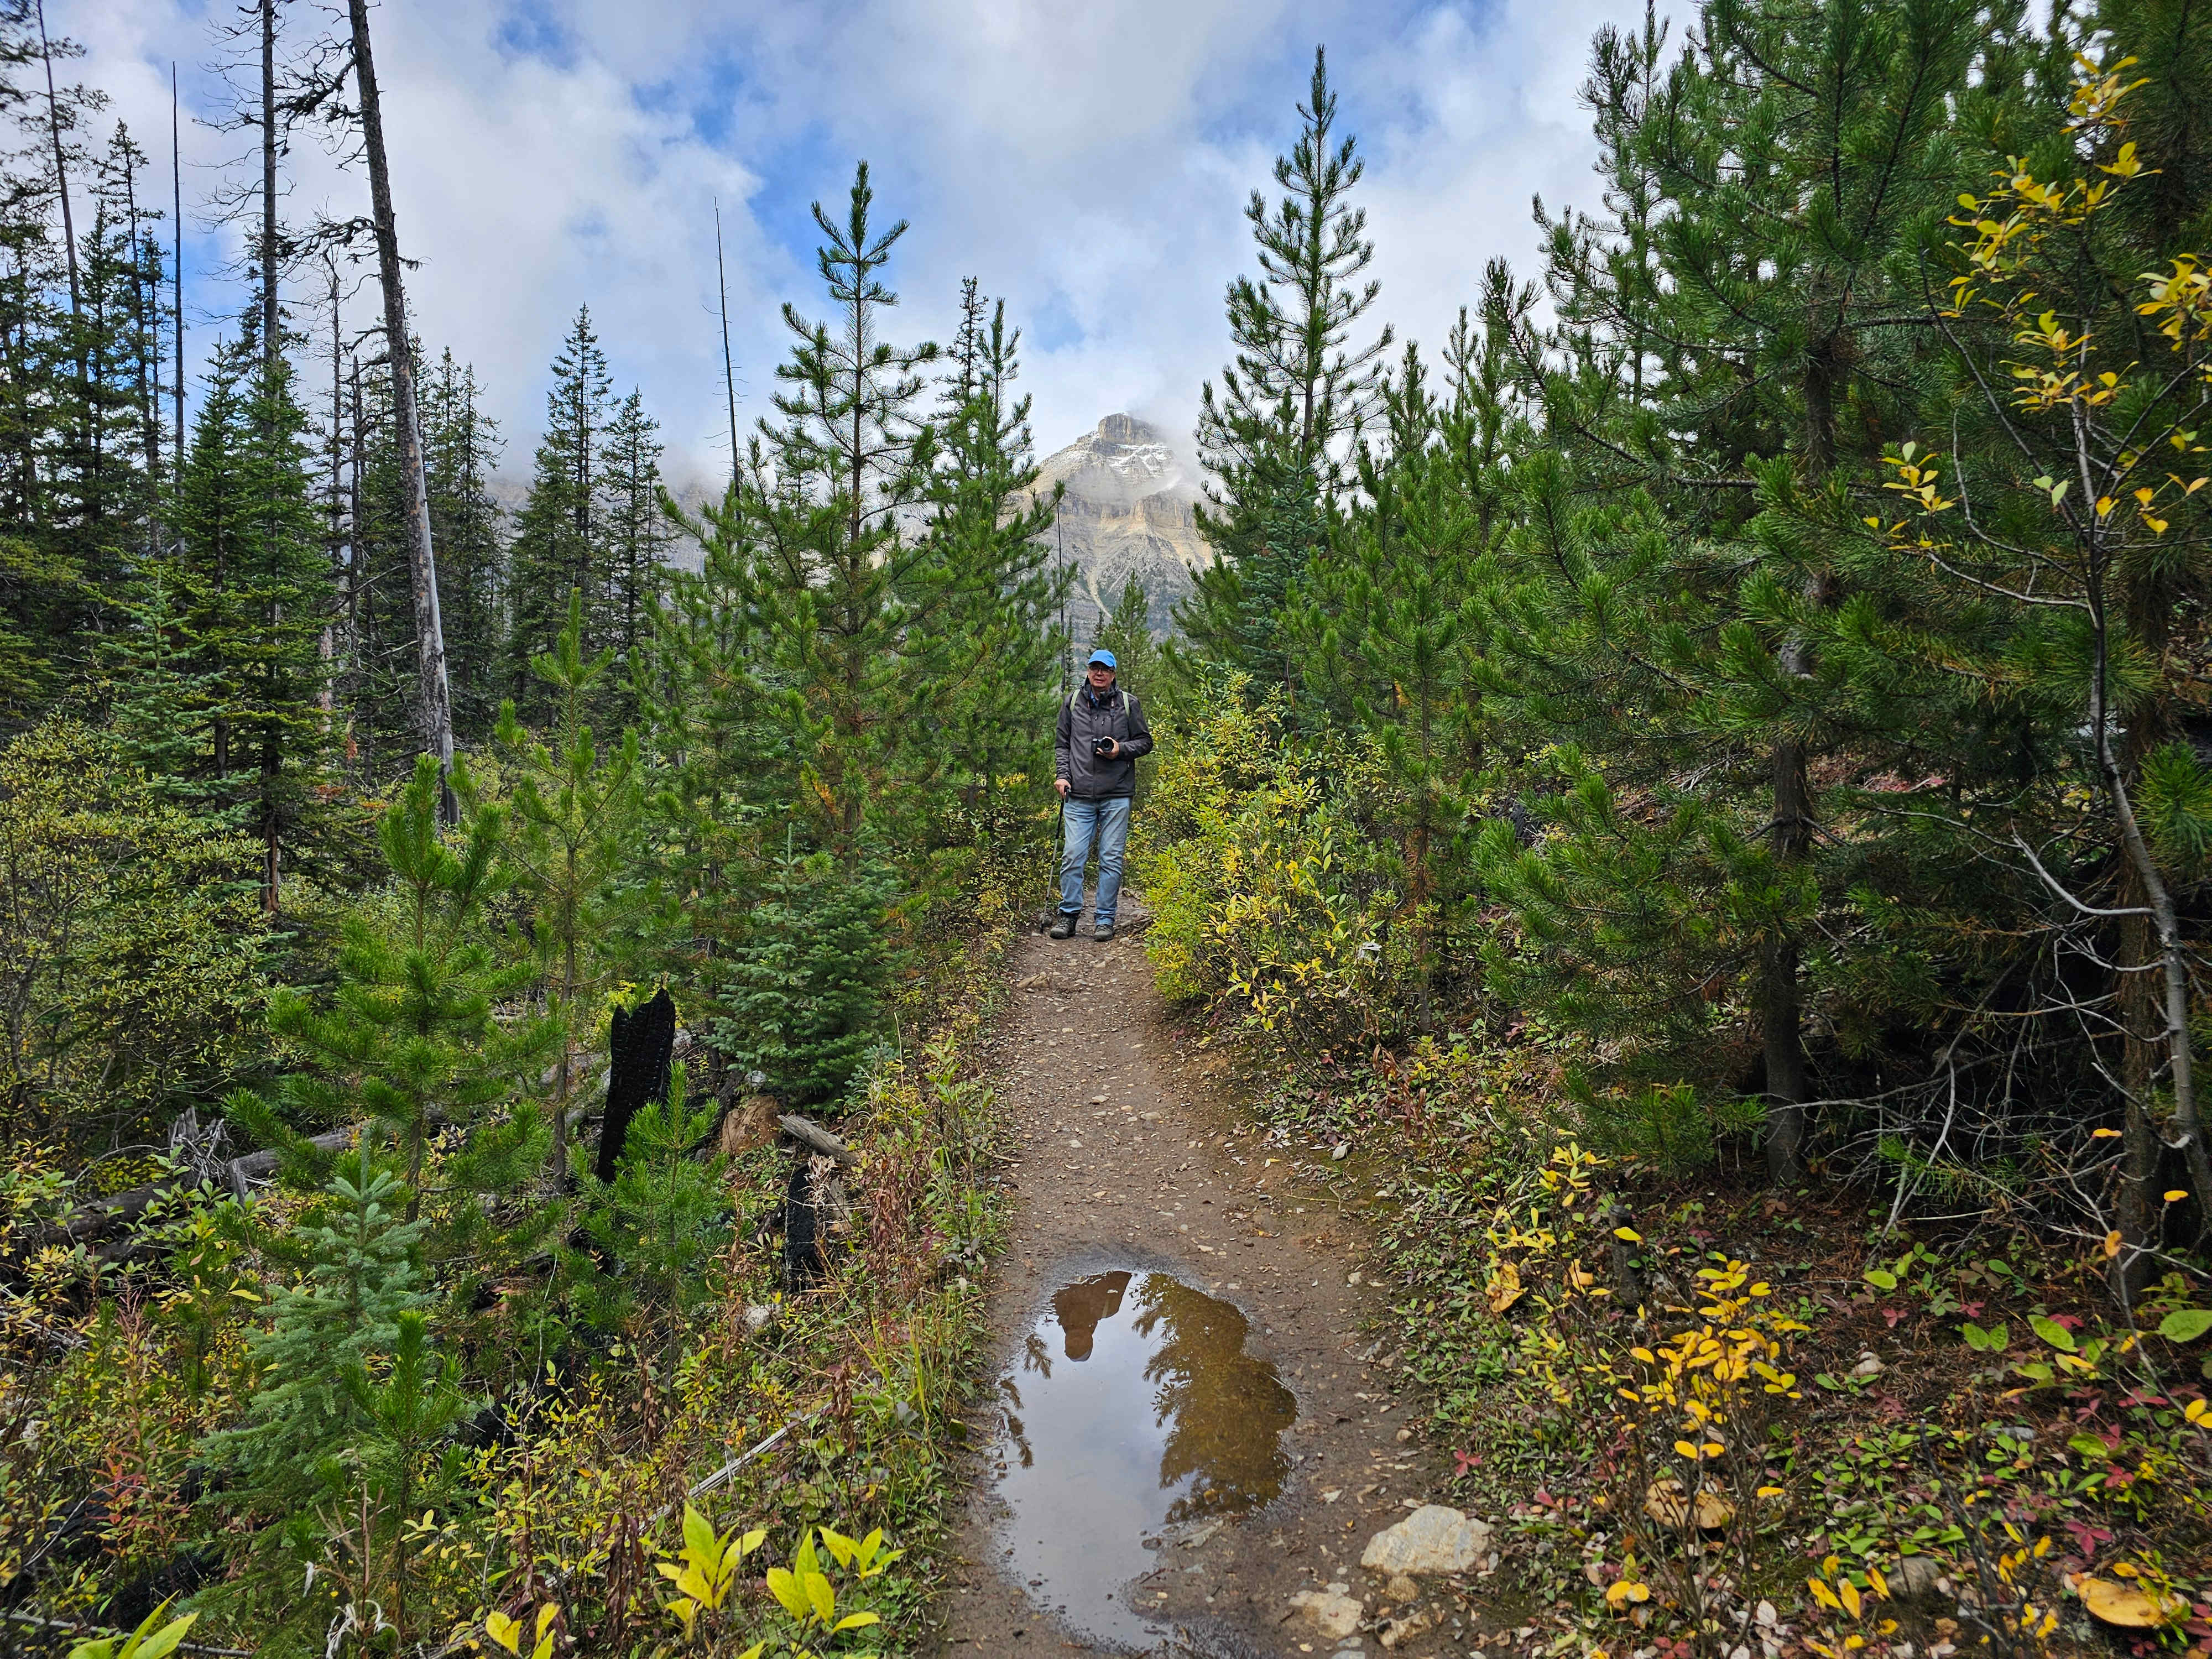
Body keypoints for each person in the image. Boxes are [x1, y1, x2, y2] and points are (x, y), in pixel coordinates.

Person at [1052, 648, 1153, 942]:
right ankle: (1069, 914)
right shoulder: (1072, 703)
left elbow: (1145, 742)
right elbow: (1062, 744)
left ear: (1113, 674)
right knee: (1073, 855)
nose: (1099, 673)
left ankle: (1105, 920)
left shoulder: (1128, 704)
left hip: (1117, 793)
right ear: (1088, 670)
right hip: (1078, 793)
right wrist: (1062, 776)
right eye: (1095, 668)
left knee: (1111, 858)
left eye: (1105, 669)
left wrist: (1120, 750)